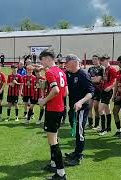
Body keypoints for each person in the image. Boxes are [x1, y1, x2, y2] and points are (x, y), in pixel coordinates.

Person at [38, 49, 67, 180]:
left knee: (53, 141)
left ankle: (61, 173)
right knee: (54, 137)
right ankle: (54, 164)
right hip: (60, 108)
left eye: (42, 60)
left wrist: (44, 100)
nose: (41, 63)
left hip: (53, 109)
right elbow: (64, 92)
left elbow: (55, 90)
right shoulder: (61, 72)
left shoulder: (49, 71)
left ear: (48, 58)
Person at [64, 54, 94, 166]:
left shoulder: (83, 74)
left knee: (80, 131)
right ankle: (76, 152)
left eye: (66, 62)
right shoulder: (68, 73)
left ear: (73, 63)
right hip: (72, 108)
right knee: (75, 130)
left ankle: (78, 156)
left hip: (82, 108)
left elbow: (91, 92)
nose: (65, 64)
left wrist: (80, 102)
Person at [98, 54, 117, 136]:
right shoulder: (105, 69)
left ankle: (103, 128)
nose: (102, 61)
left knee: (100, 109)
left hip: (107, 91)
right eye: (101, 60)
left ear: (108, 60)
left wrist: (110, 87)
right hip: (104, 90)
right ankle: (108, 128)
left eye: (103, 60)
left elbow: (116, 80)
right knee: (107, 110)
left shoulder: (112, 69)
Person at [87, 55, 104, 129]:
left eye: (95, 59)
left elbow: (98, 80)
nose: (94, 60)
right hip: (91, 89)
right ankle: (90, 123)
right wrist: (94, 78)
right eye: (93, 59)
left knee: (96, 107)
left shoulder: (101, 68)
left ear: (99, 60)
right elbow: (87, 78)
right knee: (89, 106)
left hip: (98, 89)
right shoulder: (90, 68)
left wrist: (93, 78)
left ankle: (97, 124)